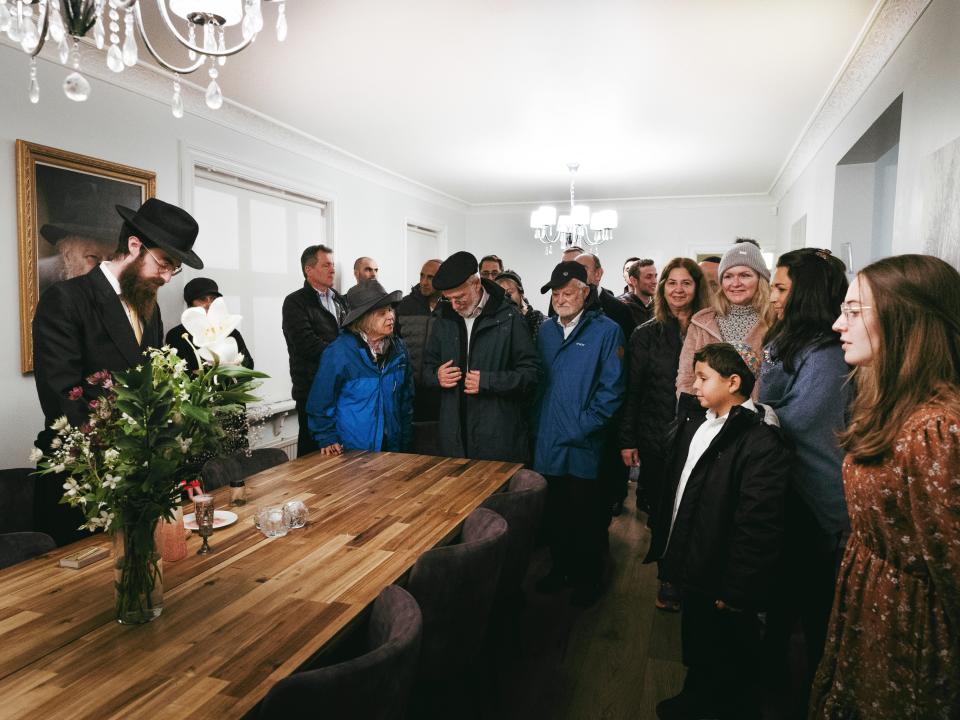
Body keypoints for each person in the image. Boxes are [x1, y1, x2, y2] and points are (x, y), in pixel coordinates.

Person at [810, 254, 960, 719]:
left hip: (913, 631)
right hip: (877, 608)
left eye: (854, 311)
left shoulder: (938, 431)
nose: (838, 324)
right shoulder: (895, 406)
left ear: (908, 320)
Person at [32, 198, 203, 545]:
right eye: (164, 263)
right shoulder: (66, 299)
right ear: (134, 245)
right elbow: (61, 398)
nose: (168, 277)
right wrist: (119, 456)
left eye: (175, 269)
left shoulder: (148, 309)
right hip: (85, 479)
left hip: (140, 476)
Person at [651, 343, 790, 720]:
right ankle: (695, 694)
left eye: (703, 378)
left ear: (732, 382)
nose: (694, 385)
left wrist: (739, 584)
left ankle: (721, 703)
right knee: (698, 634)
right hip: (696, 554)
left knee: (726, 646)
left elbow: (758, 523)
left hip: (724, 567)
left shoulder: (759, 439)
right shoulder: (700, 421)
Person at [757, 249, 850, 712]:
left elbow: (799, 421)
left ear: (805, 294)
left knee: (815, 609)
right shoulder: (794, 341)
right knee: (783, 592)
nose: (771, 297)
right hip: (790, 491)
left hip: (818, 498)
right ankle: (775, 678)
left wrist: (745, 413)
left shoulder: (827, 355)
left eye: (779, 287)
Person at [532, 261, 626, 607]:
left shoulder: (607, 331)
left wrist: (582, 426)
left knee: (586, 517)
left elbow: (612, 389)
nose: (560, 299)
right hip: (547, 441)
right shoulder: (545, 331)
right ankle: (559, 570)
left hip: (585, 443)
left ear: (585, 293)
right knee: (554, 515)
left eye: (568, 292)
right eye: (556, 294)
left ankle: (588, 579)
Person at [422, 251, 539, 463]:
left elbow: (531, 374)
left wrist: (488, 381)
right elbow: (425, 370)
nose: (455, 305)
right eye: (449, 299)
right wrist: (436, 376)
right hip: (453, 439)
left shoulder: (509, 317)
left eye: (460, 297)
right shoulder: (442, 317)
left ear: (476, 284)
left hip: (497, 438)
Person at [619, 258, 710, 519]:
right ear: (662, 288)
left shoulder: (709, 330)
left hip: (699, 434)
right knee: (659, 510)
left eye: (686, 283)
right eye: (671, 283)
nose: (678, 289)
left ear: (697, 287)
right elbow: (632, 391)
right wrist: (628, 440)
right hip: (655, 435)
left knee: (694, 511)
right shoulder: (645, 334)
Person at [305, 280, 413, 455]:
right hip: (352, 451)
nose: (391, 316)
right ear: (365, 319)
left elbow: (406, 401)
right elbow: (320, 402)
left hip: (394, 448)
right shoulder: (339, 352)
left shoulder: (399, 349)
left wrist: (406, 441)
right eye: (382, 313)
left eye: (391, 310)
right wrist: (326, 437)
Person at [575, 252, 637, 516]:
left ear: (598, 274)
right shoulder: (561, 303)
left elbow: (622, 364)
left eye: (583, 269)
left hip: (605, 401)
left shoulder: (618, 309)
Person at [677, 241, 774, 400]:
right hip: (706, 418)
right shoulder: (702, 322)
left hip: (756, 419)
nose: (735, 283)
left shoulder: (775, 322)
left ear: (761, 279)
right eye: (728, 276)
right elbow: (686, 378)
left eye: (745, 275)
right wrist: (697, 417)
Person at [282, 245, 346, 458]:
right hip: (311, 391)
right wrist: (345, 358)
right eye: (326, 265)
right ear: (308, 270)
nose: (332, 270)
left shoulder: (340, 300)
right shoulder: (295, 302)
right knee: (313, 457)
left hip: (342, 389)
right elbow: (306, 343)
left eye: (333, 265)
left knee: (342, 455)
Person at [395, 259, 442, 454]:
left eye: (430, 277)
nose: (424, 281)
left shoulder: (452, 307)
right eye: (422, 276)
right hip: (410, 390)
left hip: (441, 391)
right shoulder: (404, 305)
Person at [165, 277, 254, 373]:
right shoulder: (176, 335)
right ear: (190, 304)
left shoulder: (229, 330)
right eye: (202, 299)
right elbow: (179, 374)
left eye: (213, 299)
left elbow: (249, 366)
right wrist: (224, 370)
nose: (209, 304)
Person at [495, 269, 545, 342]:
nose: (506, 297)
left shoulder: (535, 317)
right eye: (501, 294)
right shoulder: (494, 320)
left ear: (521, 293)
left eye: (509, 292)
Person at [618, 258, 657, 328]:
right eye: (649, 277)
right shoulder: (622, 307)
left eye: (655, 276)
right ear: (634, 280)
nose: (654, 281)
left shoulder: (661, 305)